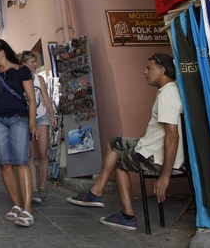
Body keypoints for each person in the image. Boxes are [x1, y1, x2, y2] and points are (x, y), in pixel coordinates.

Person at [66, 53, 184, 232]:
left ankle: (127, 216)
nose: (145, 72)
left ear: (162, 70)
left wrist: (165, 176)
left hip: (156, 156)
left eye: (149, 68)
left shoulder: (168, 94)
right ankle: (96, 192)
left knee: (119, 160)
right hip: (150, 145)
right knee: (114, 142)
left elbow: (172, 136)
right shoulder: (168, 91)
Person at [0, 38, 38, 227]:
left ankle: (28, 210)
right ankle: (16, 205)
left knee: (21, 163)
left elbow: (31, 99)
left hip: (18, 119)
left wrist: (32, 123)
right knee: (4, 164)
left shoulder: (22, 71)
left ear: (2, 52)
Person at [21, 50, 56, 204]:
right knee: (30, 154)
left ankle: (42, 187)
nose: (35, 64)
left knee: (42, 154)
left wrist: (52, 115)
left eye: (35, 61)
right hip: (27, 119)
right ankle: (33, 189)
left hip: (41, 117)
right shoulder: (20, 78)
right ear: (24, 63)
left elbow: (46, 98)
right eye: (32, 61)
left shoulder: (39, 79)